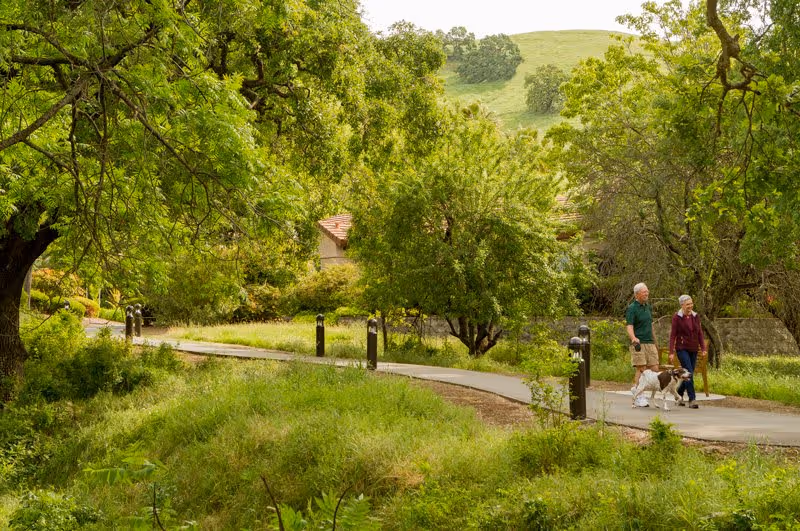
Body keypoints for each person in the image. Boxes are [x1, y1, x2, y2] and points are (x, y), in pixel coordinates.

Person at [668, 294, 706, 409]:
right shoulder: (677, 317)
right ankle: (692, 399)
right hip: (682, 349)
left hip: (693, 348)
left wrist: (703, 348)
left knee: (689, 374)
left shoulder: (695, 316)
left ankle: (679, 395)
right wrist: (671, 351)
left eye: (691, 303)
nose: (690, 306)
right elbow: (672, 335)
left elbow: (699, 333)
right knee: (689, 372)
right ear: (682, 305)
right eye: (688, 304)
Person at [626, 282, 660, 407]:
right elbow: (629, 326)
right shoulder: (632, 308)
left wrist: (655, 342)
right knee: (641, 368)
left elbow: (650, 326)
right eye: (644, 292)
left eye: (647, 291)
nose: (647, 293)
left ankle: (636, 388)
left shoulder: (648, 307)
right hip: (638, 342)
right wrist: (633, 338)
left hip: (650, 342)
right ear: (637, 294)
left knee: (655, 368)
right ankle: (639, 395)